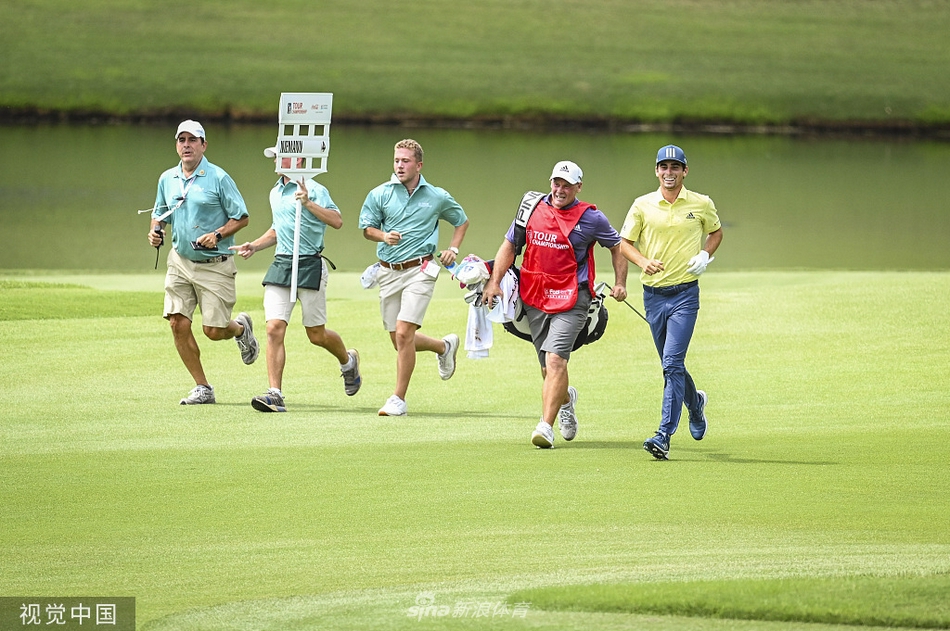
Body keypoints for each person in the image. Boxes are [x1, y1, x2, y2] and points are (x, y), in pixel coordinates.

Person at [482, 161, 628, 448]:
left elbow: (617, 246)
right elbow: (510, 245)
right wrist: (494, 281)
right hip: (534, 295)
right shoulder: (532, 208)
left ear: (578, 187)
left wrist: (620, 282)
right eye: (556, 183)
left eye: (567, 185)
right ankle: (566, 400)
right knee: (548, 369)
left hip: (573, 298)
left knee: (556, 359)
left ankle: (545, 427)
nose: (560, 190)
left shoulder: (591, 218)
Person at [229, 146, 362, 413]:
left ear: (297, 160)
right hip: (282, 263)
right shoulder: (275, 192)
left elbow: (337, 221)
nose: (276, 161)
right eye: (276, 157)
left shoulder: (315, 189)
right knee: (273, 328)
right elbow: (279, 228)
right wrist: (255, 246)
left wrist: (308, 203)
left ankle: (348, 361)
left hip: (310, 262)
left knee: (316, 335)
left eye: (281, 156)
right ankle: (275, 393)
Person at [619, 144, 723, 460]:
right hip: (653, 296)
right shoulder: (641, 205)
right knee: (671, 364)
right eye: (664, 167)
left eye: (675, 167)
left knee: (671, 364)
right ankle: (695, 403)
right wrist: (643, 261)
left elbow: (716, 233)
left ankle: (663, 435)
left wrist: (706, 254)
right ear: (656, 171)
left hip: (685, 295)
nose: (669, 173)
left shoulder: (701, 203)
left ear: (684, 171)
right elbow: (624, 244)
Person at [147, 119, 259, 405]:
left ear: (203, 145)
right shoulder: (166, 178)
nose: (186, 145)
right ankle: (202, 387)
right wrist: (155, 232)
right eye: (181, 140)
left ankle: (241, 329)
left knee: (214, 331)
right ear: (176, 145)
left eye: (192, 140)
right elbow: (160, 214)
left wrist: (218, 234)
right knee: (177, 323)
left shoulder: (218, 178)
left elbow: (242, 217)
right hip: (180, 262)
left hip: (216, 263)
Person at [358, 138, 469, 416]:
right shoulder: (380, 194)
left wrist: (453, 248)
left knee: (405, 333)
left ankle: (398, 399)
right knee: (398, 339)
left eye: (405, 161)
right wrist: (383, 235)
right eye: (396, 160)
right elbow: (367, 229)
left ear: (418, 165)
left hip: (421, 270)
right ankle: (444, 346)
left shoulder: (437, 196)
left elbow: (461, 221)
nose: (399, 165)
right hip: (388, 271)